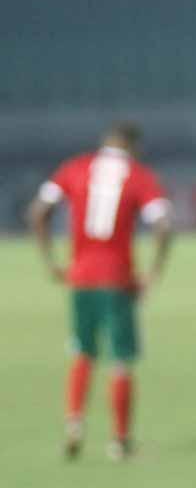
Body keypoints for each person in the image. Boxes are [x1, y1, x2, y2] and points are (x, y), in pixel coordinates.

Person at [27, 122, 173, 461]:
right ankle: (120, 442)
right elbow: (163, 225)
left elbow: (37, 212)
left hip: (80, 276)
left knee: (83, 351)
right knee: (120, 360)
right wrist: (153, 271)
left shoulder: (75, 167)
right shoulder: (138, 175)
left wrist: (50, 260)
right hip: (117, 278)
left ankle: (74, 424)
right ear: (131, 145)